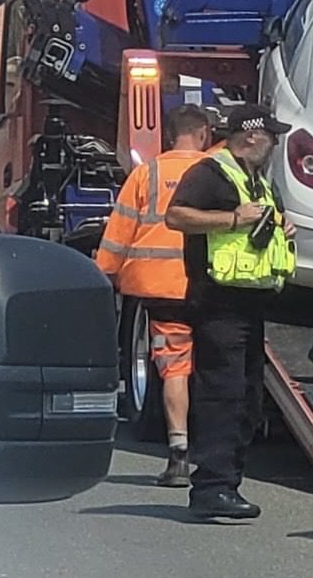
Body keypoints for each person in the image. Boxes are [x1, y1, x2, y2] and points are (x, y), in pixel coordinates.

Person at [164, 103, 297, 520]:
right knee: (223, 396)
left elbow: (257, 228)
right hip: (218, 304)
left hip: (250, 302)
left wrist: (281, 226)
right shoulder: (211, 172)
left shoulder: (255, 178)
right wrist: (231, 218)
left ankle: (227, 483)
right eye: (272, 136)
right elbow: (176, 215)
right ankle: (212, 487)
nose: (275, 143)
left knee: (248, 398)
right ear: (252, 137)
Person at [96, 104, 213, 487]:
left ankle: (178, 454)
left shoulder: (148, 173)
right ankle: (216, 457)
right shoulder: (218, 172)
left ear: (169, 136)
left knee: (175, 369)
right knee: (216, 369)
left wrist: (103, 274)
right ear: (204, 134)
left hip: (162, 290)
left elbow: (119, 230)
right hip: (213, 288)